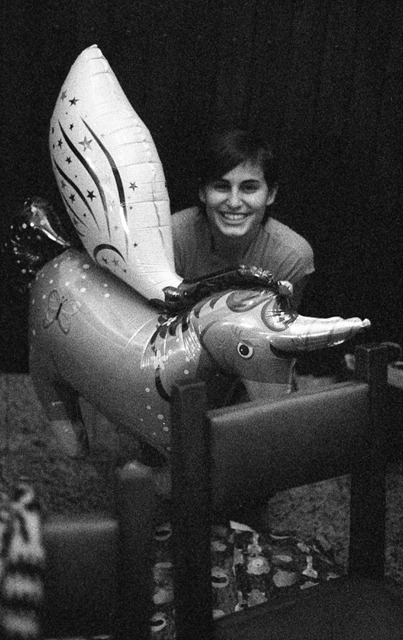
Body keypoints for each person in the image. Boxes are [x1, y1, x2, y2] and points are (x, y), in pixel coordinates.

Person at [171, 128, 314, 400]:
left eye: (249, 188)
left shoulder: (291, 256)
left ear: (270, 194)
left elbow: (276, 345)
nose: (234, 202)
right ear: (202, 192)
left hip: (251, 367)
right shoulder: (173, 236)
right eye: (221, 186)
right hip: (178, 364)